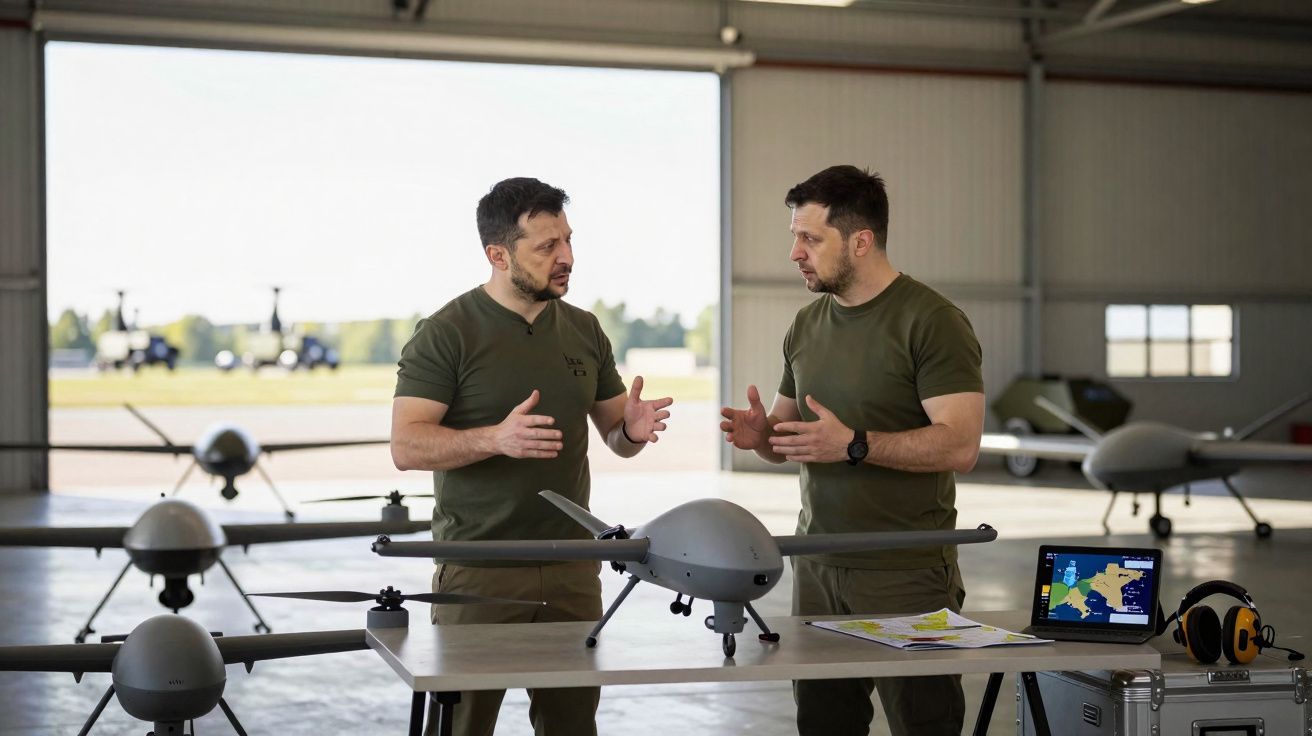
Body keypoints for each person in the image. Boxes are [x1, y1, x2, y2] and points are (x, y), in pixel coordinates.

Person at [391, 177, 673, 736]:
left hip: (572, 570)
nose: (566, 257)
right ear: (497, 255)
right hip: (478, 573)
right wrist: (493, 439)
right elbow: (406, 445)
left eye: (567, 240)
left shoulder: (584, 330)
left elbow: (615, 436)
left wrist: (632, 432)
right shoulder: (447, 333)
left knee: (572, 726)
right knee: (462, 726)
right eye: (547, 247)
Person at [719, 165, 984, 736]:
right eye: (795, 236)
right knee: (824, 722)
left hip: (905, 572)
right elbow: (790, 441)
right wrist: (761, 435)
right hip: (817, 566)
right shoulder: (806, 324)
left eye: (810, 238)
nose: (795, 252)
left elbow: (961, 444)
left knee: (924, 724)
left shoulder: (932, 321)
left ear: (861, 241)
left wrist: (855, 445)